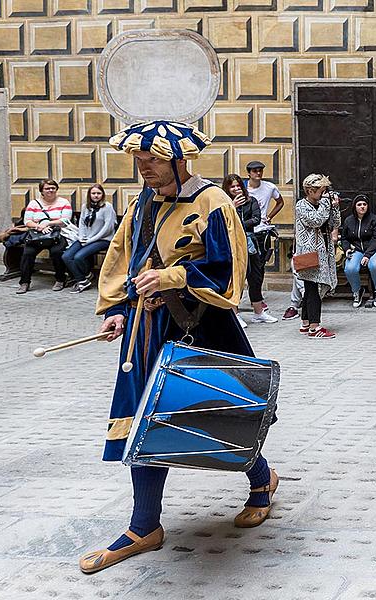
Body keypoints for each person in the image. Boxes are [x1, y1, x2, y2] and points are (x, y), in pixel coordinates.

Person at [79, 120, 278, 574]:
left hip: (201, 323)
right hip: (146, 329)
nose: (144, 169)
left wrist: (176, 277)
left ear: (178, 160)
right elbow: (124, 256)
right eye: (139, 161)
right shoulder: (143, 203)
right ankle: (144, 524)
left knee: (217, 413)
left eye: (151, 161)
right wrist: (118, 308)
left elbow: (229, 270)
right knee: (143, 420)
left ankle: (262, 480)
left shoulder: (213, 201)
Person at [223, 173, 277, 324]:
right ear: (227, 188)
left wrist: (239, 224)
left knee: (255, 277)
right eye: (232, 186)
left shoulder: (251, 200)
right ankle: (235, 313)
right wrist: (233, 208)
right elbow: (224, 221)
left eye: (238, 186)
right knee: (236, 278)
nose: (236, 189)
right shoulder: (225, 203)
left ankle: (259, 312)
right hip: (233, 244)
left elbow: (256, 219)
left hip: (251, 243)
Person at [294, 173, 341, 338]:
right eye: (322, 190)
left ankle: (306, 323)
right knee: (314, 288)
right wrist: (326, 204)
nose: (324, 193)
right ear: (310, 190)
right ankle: (315, 327)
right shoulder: (302, 205)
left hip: (323, 253)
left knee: (310, 288)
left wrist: (334, 207)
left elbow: (335, 224)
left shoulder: (323, 204)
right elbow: (316, 221)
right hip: (310, 253)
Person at [17, 179, 73, 294]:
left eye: (53, 188)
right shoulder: (34, 203)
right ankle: (24, 282)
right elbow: (27, 221)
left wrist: (49, 223)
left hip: (57, 234)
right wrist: (40, 227)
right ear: (41, 191)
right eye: (47, 188)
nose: (50, 190)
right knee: (28, 253)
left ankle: (60, 279)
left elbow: (66, 220)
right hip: (37, 234)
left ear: (56, 189)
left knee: (57, 252)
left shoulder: (64, 202)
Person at [63, 184, 117, 293]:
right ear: (89, 195)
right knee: (66, 256)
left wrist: (90, 240)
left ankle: (81, 281)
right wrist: (81, 237)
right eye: (93, 193)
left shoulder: (107, 207)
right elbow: (82, 223)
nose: (96, 196)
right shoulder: (85, 206)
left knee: (78, 257)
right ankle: (85, 277)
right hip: (86, 238)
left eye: (98, 193)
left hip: (103, 239)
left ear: (102, 194)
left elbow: (107, 228)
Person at [246, 160, 283, 313]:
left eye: (260, 170)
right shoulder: (243, 188)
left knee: (259, 267)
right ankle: (252, 297)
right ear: (249, 173)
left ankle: (257, 298)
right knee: (245, 266)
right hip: (247, 231)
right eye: (255, 171)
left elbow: (280, 202)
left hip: (262, 231)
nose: (258, 173)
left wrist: (269, 216)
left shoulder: (269, 187)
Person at [342, 194, 376, 308]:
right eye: (359, 204)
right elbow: (344, 238)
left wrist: (367, 255)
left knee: (375, 266)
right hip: (356, 249)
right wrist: (346, 249)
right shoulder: (348, 221)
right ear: (354, 207)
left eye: (364, 204)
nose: (362, 207)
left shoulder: (374, 219)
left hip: (374, 249)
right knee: (350, 268)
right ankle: (357, 291)